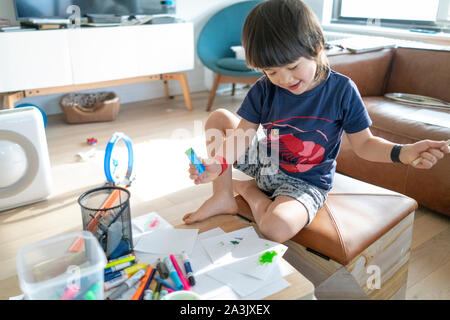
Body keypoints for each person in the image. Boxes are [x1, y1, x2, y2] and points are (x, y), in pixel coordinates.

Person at [182, 0, 449, 243]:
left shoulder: (342, 90)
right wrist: (219, 163)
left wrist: (402, 152)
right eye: (272, 71)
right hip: (267, 159)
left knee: (275, 228)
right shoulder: (264, 89)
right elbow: (241, 136)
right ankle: (222, 195)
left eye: (293, 67)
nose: (285, 79)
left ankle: (249, 191)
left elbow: (365, 145)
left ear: (317, 47)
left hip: (305, 181)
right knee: (218, 118)